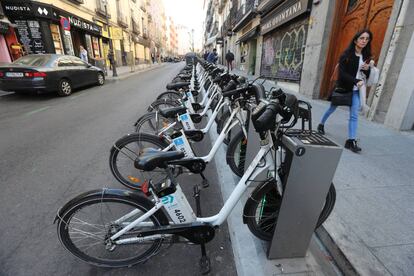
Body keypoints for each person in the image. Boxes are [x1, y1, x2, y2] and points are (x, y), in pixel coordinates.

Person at [318, 29, 373, 153]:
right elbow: (342, 74)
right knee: (332, 108)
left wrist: (367, 69)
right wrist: (355, 81)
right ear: (355, 40)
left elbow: (366, 75)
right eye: (361, 38)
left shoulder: (366, 56)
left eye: (367, 39)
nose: (364, 41)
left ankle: (351, 141)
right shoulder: (346, 55)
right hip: (344, 88)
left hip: (356, 91)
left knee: (354, 115)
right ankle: (321, 124)